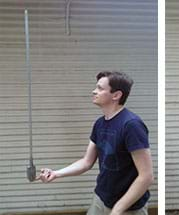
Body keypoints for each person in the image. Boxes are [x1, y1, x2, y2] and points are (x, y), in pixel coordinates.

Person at [38, 71, 154, 215]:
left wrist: (118, 209)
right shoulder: (100, 124)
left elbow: (146, 176)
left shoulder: (132, 125)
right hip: (101, 198)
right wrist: (56, 173)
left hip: (127, 207)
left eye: (100, 88)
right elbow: (86, 162)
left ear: (116, 95)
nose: (94, 91)